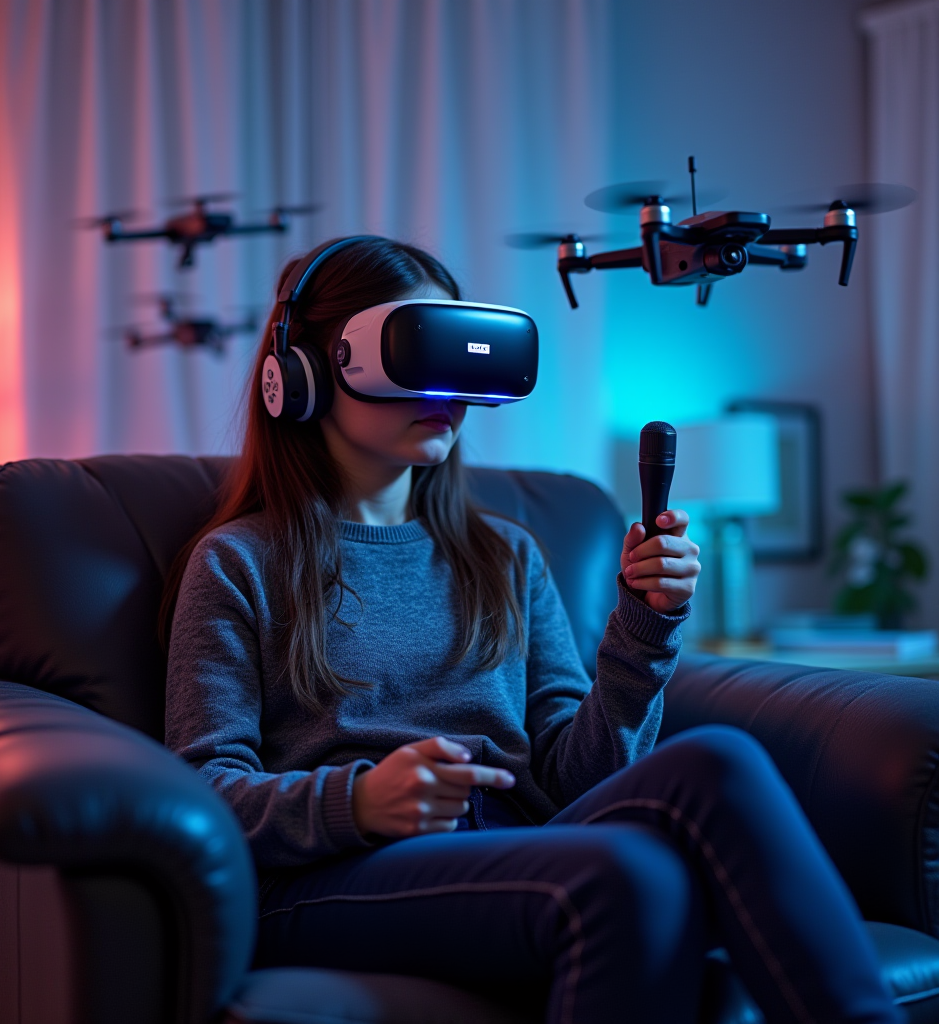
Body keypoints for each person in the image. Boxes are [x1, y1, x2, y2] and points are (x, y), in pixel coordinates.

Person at [163, 236, 900, 1023]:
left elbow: (577, 781)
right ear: (304, 374)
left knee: (716, 760)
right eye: (417, 349)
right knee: (627, 874)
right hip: (340, 873)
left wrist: (643, 628)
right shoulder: (240, 563)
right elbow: (203, 796)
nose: (447, 387)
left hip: (517, 844)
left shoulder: (503, 555)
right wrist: (361, 800)